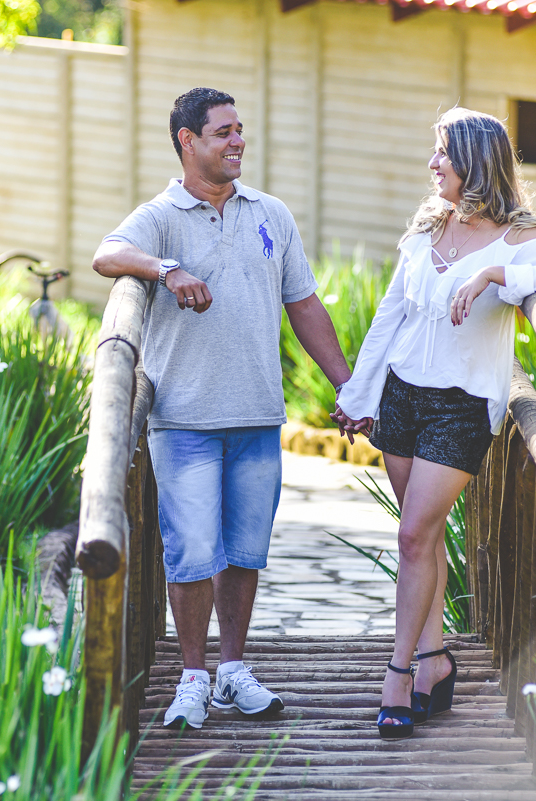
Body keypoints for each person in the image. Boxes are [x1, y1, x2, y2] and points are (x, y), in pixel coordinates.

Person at [91, 87, 353, 730]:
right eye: (223, 132)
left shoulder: (271, 213)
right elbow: (106, 255)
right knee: (191, 553)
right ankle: (191, 677)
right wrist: (165, 270)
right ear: (188, 141)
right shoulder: (161, 215)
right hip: (183, 420)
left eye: (240, 130)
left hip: (258, 414)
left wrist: (346, 385)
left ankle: (232, 671)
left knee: (244, 554)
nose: (238, 141)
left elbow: (305, 305)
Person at [333, 107, 536, 740]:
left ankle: (398, 673)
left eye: (442, 152)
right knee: (427, 536)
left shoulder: (518, 238)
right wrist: (360, 393)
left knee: (414, 535)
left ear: (474, 160)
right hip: (401, 397)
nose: (432, 163)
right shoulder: (428, 226)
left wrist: (496, 272)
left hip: (462, 406)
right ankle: (436, 659)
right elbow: (391, 316)